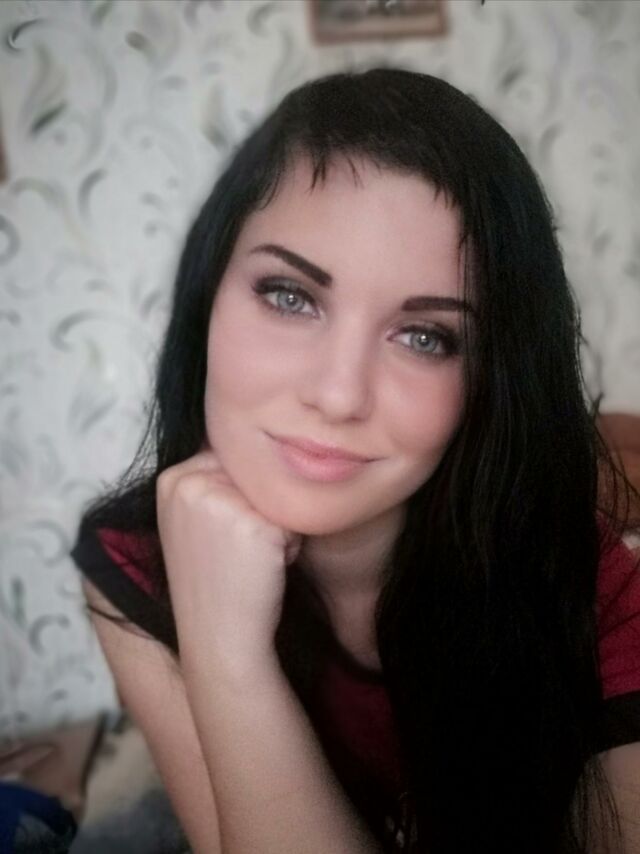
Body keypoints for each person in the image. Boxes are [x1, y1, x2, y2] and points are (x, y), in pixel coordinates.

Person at [70, 68, 640, 853]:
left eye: (425, 337)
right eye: (290, 296)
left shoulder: (595, 591)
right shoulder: (135, 558)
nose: (339, 396)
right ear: (207, 297)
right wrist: (225, 654)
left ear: (488, 380)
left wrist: (229, 664)